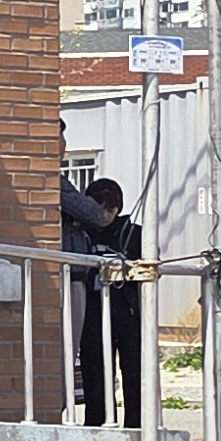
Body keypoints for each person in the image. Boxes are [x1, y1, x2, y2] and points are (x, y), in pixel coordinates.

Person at [69, 175, 141, 428]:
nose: (106, 215)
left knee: (135, 374)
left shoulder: (133, 233)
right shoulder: (80, 233)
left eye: (111, 209)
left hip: (130, 313)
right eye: (99, 208)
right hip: (93, 312)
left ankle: (136, 430)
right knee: (95, 375)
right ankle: (96, 428)